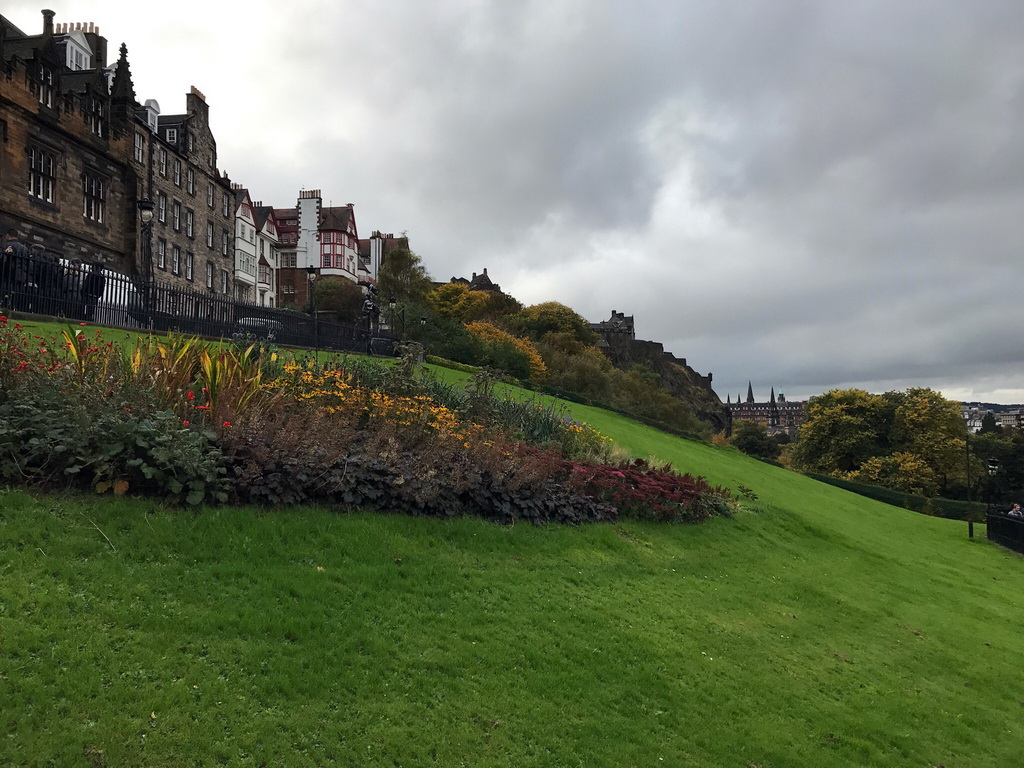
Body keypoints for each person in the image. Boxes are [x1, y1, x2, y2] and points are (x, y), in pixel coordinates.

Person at [1, 229, 31, 311]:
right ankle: (15, 309)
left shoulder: (6, 245)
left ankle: (5, 310)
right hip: (21, 276)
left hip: (8, 274)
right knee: (17, 294)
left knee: (5, 293)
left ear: (8, 235)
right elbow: (28, 263)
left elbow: (2, 260)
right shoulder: (25, 249)